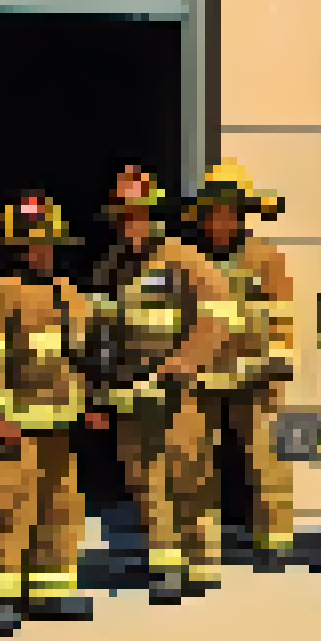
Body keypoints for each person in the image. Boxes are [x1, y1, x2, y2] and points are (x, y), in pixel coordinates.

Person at [86, 166, 232, 604]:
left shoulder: (185, 261)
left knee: (190, 477)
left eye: (138, 214)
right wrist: (98, 387)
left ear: (154, 215)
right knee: (147, 481)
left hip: (182, 394)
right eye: (124, 216)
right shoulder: (111, 266)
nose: (131, 224)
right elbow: (99, 329)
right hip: (133, 395)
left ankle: (200, 564)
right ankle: (165, 565)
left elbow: (217, 318)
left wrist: (182, 363)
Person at [0, 191, 103, 635]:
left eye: (46, 244)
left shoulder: (69, 294)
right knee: (3, 508)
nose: (39, 252)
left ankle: (50, 589)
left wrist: (92, 402)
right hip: (14, 426)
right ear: (14, 247)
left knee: (59, 509)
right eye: (31, 244)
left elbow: (86, 356)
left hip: (59, 425)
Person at [182, 161, 297, 573]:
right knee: (195, 458)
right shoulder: (190, 259)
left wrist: (279, 364)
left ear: (242, 214)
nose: (222, 221)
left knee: (264, 457)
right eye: (215, 213)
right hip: (202, 374)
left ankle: (273, 540)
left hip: (256, 374)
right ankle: (200, 542)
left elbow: (282, 313)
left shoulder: (265, 257)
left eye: (230, 212)